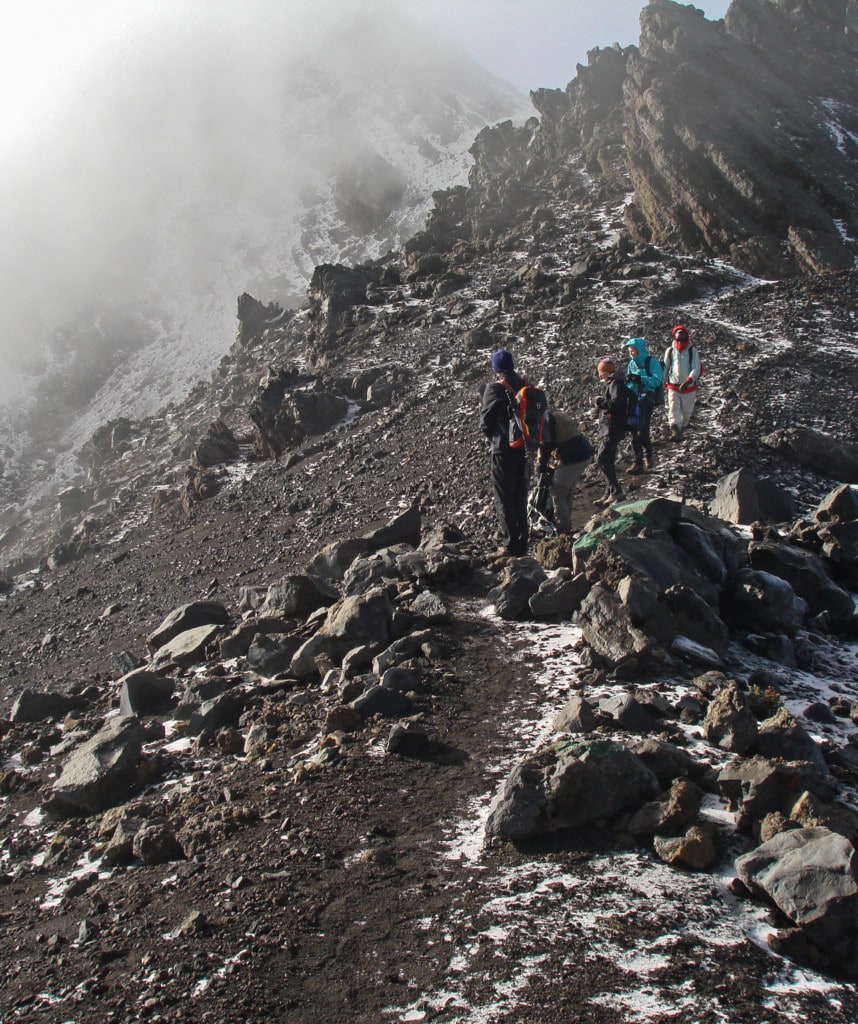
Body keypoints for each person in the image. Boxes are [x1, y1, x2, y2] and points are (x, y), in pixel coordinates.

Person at [480, 349, 529, 556]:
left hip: (503, 450)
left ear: (496, 369)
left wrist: (488, 435)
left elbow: (485, 421)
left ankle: (509, 544)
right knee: (519, 496)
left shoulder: (495, 388)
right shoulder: (524, 384)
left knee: (503, 496)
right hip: (523, 448)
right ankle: (522, 543)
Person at [535, 409, 594, 533]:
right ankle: (566, 525)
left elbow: (546, 443)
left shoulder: (544, 420)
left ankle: (562, 529)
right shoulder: (553, 414)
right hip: (583, 452)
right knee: (567, 492)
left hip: (573, 456)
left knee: (557, 492)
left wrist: (542, 465)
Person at [624, 337, 663, 474]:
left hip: (647, 398)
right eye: (630, 351)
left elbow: (657, 380)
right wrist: (630, 382)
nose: (631, 353)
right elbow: (629, 382)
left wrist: (641, 378)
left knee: (642, 428)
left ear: (639, 349)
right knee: (634, 429)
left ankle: (647, 456)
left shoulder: (651, 362)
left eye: (633, 350)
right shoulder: (631, 364)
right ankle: (639, 461)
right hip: (635, 398)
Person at [592, 357, 627, 505]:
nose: (599, 375)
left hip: (612, 428)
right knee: (608, 460)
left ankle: (616, 491)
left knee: (602, 459)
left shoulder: (615, 384)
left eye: (601, 371)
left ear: (606, 371)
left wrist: (599, 402)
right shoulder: (613, 383)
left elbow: (616, 404)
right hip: (611, 427)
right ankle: (609, 493)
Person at [663, 324, 701, 441]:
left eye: (682, 333)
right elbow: (665, 367)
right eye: (678, 333)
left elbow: (696, 367)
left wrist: (689, 380)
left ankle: (683, 426)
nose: (680, 336)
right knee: (673, 408)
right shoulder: (670, 351)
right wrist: (662, 383)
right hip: (673, 386)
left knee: (687, 411)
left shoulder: (692, 350)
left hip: (689, 387)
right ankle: (675, 430)